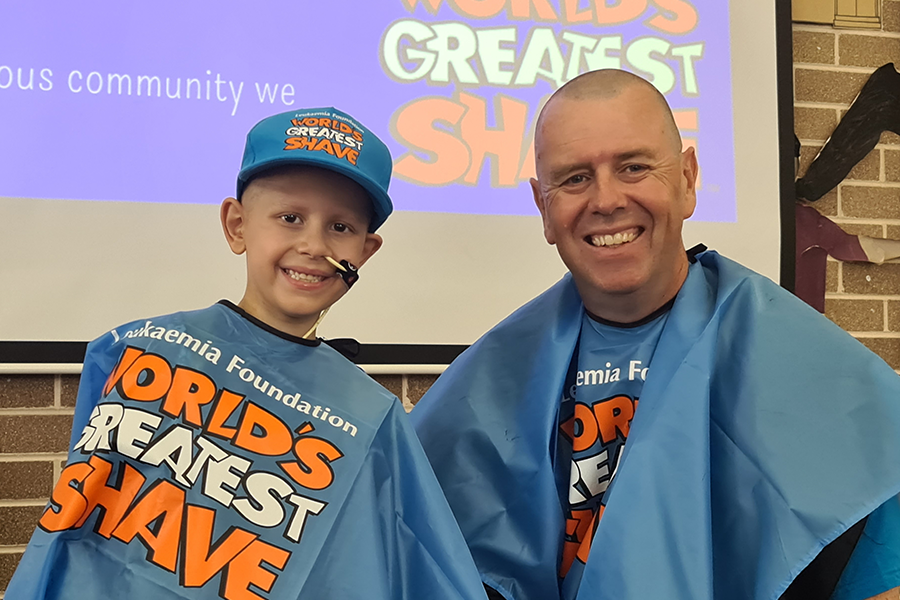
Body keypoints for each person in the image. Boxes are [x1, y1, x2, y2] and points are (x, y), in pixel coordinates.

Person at [411, 70, 900, 600]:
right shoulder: (490, 380)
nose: (606, 199)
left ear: (688, 178)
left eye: (634, 167)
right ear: (543, 208)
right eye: (574, 178)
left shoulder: (809, 366)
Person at [7, 107, 487, 600]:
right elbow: (77, 527)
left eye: (340, 228)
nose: (313, 245)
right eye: (290, 217)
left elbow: (408, 566)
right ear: (237, 225)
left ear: (366, 250)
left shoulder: (372, 416)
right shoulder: (137, 350)